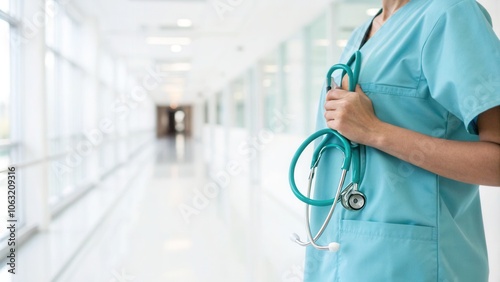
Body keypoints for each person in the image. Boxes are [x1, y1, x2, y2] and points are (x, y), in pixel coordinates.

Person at [304, 0, 500, 280]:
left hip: (412, 264)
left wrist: (374, 131)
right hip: (339, 256)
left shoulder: (451, 13)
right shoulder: (363, 32)